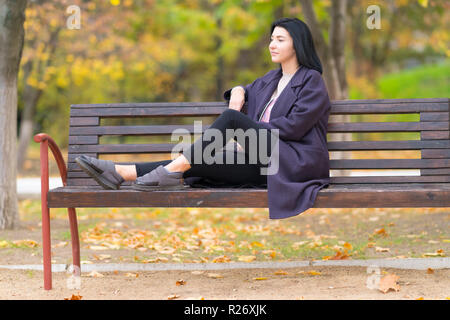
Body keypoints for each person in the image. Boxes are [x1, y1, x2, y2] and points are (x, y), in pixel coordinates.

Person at [75, 17, 331, 219]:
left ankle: (169, 170)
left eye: (280, 39)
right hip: (262, 166)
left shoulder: (311, 81)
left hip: (291, 164)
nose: (272, 44)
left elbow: (294, 127)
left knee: (230, 121)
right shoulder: (271, 79)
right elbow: (244, 90)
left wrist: (250, 132)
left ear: (297, 43)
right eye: (271, 39)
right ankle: (121, 173)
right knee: (199, 159)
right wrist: (238, 91)